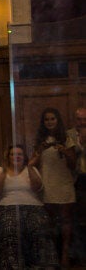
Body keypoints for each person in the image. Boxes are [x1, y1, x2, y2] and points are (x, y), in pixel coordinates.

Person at [0, 145, 58, 269]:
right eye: (13, 154)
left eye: (20, 154)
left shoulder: (31, 169)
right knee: (10, 228)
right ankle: (12, 266)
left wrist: (30, 167)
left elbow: (37, 188)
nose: (16, 156)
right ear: (8, 157)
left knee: (39, 227)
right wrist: (5, 171)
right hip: (7, 206)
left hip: (33, 206)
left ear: (24, 157)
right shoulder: (0, 170)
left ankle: (41, 266)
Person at [30, 107, 76, 266]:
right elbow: (32, 164)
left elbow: (73, 164)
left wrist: (65, 151)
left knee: (65, 220)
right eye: (47, 119)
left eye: (52, 119)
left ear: (58, 120)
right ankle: (51, 254)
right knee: (48, 222)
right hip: (47, 184)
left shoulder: (67, 138)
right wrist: (39, 151)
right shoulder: (39, 140)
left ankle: (64, 254)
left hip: (64, 184)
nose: (50, 122)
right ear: (43, 123)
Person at [66, 107, 86, 265]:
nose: (82, 122)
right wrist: (80, 142)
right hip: (76, 180)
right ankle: (78, 255)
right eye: (79, 119)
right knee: (76, 219)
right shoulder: (69, 134)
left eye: (85, 119)